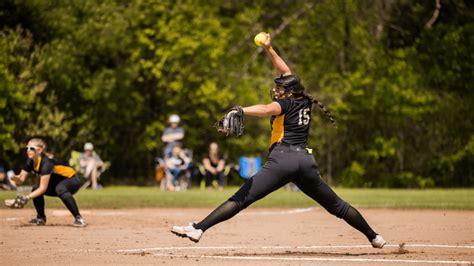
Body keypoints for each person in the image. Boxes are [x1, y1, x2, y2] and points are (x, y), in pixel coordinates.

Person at [171, 33, 386, 248]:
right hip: (305, 161)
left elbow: (266, 110)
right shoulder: (303, 100)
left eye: (280, 89)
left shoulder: (285, 104)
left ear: (289, 93)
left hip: (282, 160)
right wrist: (269, 48)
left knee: (241, 199)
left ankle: (198, 229)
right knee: (337, 206)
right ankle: (374, 236)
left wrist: (240, 110)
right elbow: (286, 72)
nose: (276, 90)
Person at [10, 138, 87, 227]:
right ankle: (41, 218)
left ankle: (79, 218)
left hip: (72, 180)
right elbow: (21, 180)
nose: (28, 150)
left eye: (31, 148)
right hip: (58, 181)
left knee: (60, 189)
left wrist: (27, 197)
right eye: (27, 148)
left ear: (40, 150)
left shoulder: (46, 163)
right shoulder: (30, 161)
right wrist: (16, 179)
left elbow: (43, 188)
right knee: (35, 188)